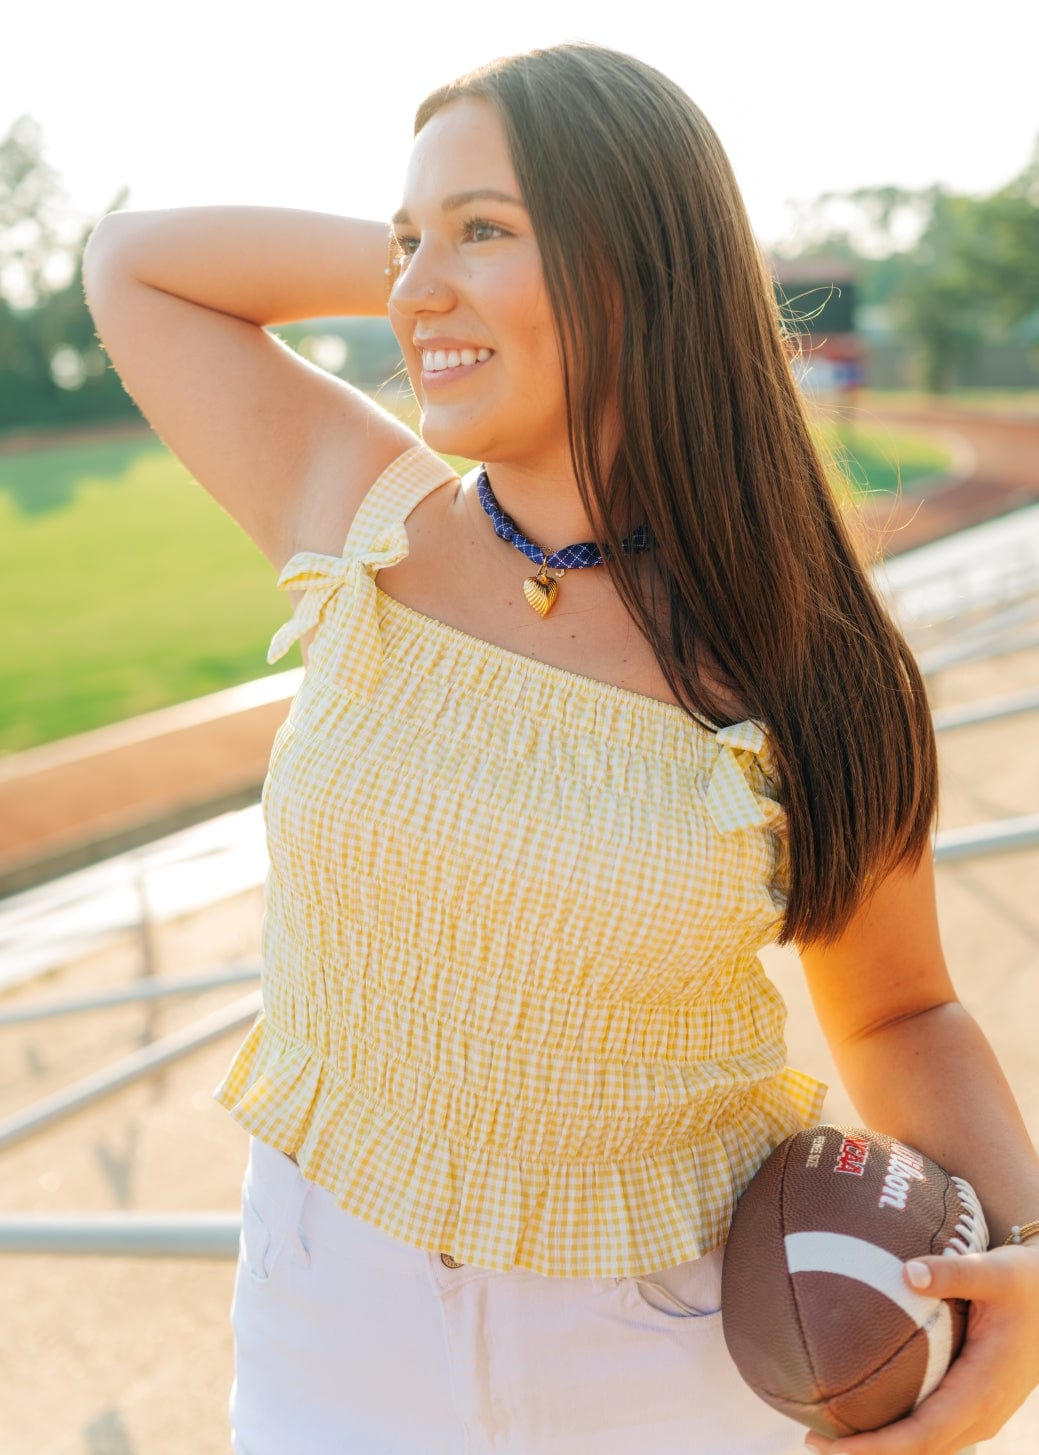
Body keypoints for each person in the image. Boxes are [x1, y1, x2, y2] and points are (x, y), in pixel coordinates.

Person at [83, 42, 1039, 1455]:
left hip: (664, 1356)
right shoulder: (361, 507)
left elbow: (900, 1012)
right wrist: (448, 271)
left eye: (485, 228)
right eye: (411, 236)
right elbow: (135, 263)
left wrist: (1024, 1258)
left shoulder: (807, 658)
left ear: (638, 263)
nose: (413, 289)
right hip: (324, 1329)